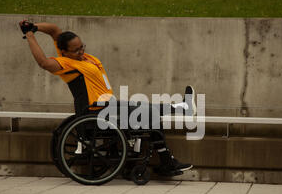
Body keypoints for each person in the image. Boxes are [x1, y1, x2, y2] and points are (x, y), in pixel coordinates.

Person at [19, 20, 195, 176]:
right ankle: (169, 156)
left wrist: (34, 27)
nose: (81, 51)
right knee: (149, 114)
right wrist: (29, 36)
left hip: (108, 106)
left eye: (82, 46)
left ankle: (182, 112)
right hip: (98, 110)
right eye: (76, 50)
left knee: (146, 109)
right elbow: (43, 62)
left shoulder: (78, 56)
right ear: (64, 52)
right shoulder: (66, 64)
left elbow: (54, 29)